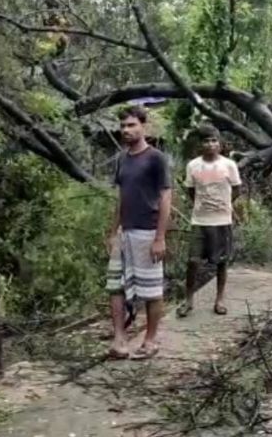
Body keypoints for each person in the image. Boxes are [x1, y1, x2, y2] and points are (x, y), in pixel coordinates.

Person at [105, 106, 172, 359]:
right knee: (116, 286)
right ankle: (119, 339)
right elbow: (121, 197)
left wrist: (160, 237)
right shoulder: (122, 158)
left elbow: (166, 197)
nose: (126, 130)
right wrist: (114, 232)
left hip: (147, 231)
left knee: (152, 290)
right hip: (125, 232)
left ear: (144, 126)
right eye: (123, 126)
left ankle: (150, 340)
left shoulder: (156, 158)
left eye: (132, 125)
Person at [177, 124, 242, 317]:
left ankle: (219, 300)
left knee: (221, 262)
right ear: (200, 145)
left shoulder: (229, 165)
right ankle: (188, 300)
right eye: (206, 141)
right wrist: (201, 204)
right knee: (193, 261)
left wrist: (225, 204)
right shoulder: (193, 166)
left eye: (214, 141)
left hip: (222, 221)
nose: (210, 144)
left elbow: (237, 188)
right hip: (200, 221)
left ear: (220, 144)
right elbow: (190, 190)